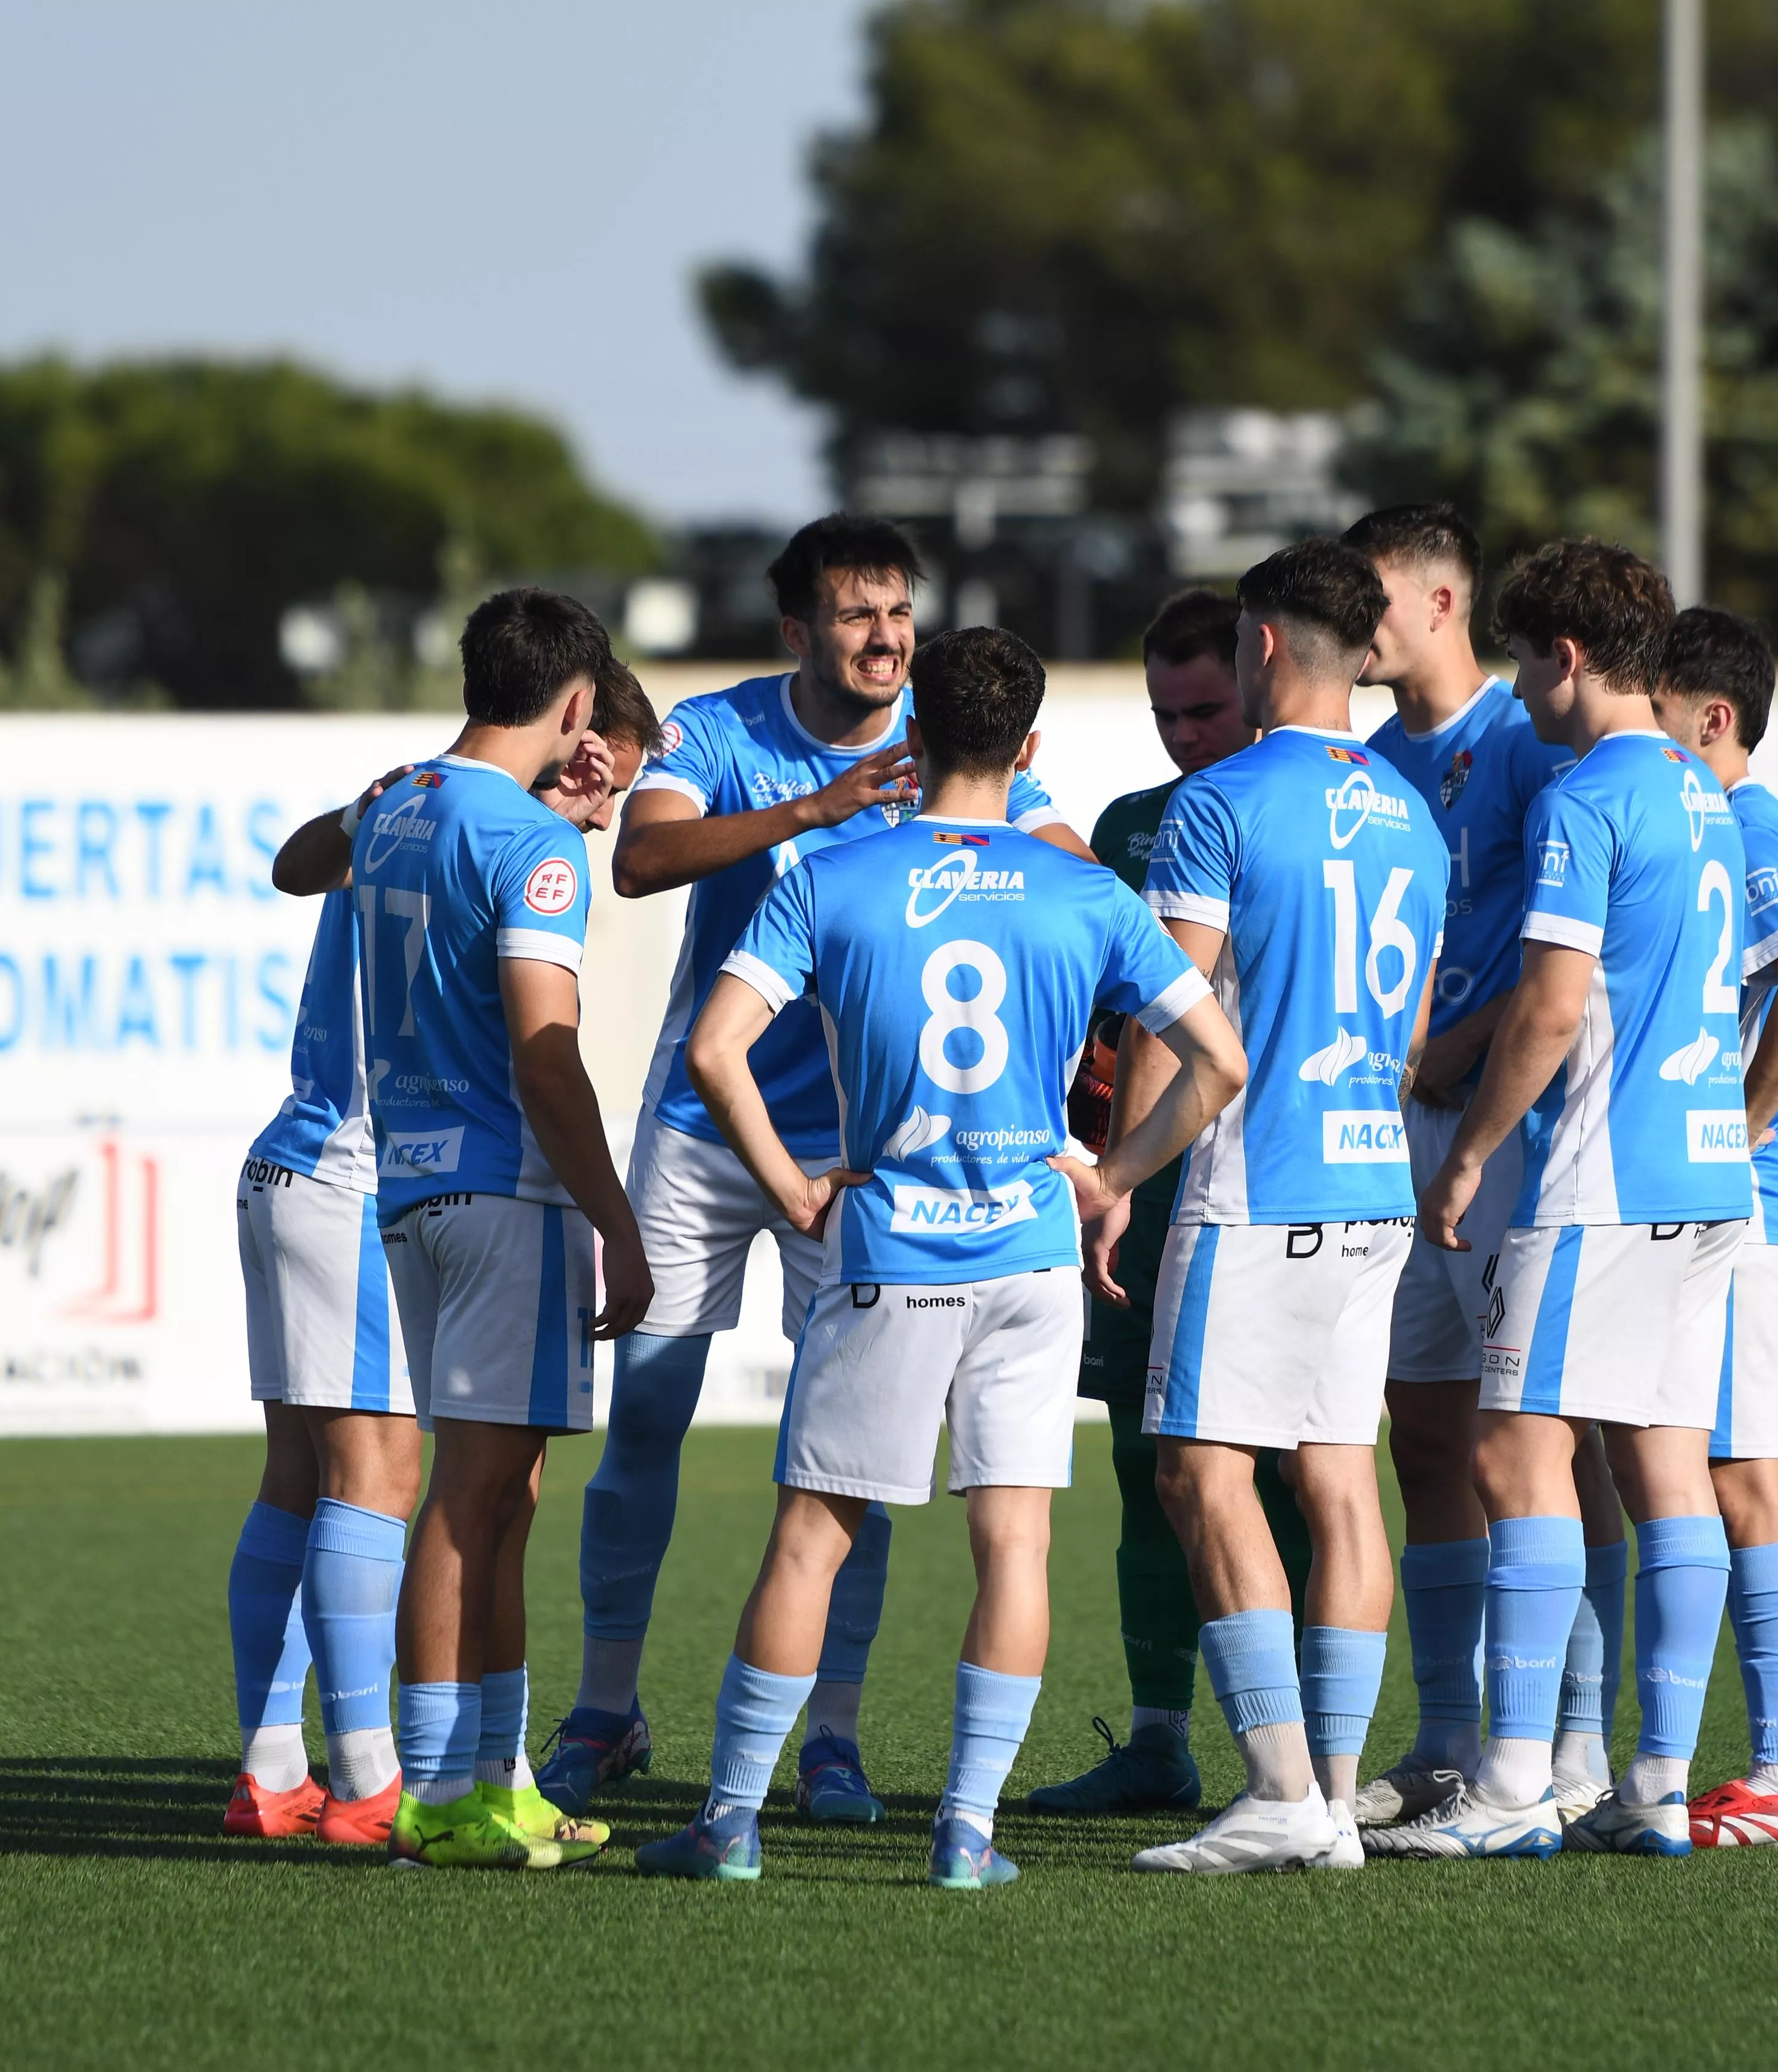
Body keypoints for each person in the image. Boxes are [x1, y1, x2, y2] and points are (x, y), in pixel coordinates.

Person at [631, 627, 1245, 1887]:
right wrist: (1111, 1179)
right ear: (1026, 751)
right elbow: (1218, 1063)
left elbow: (711, 1050)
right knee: (1013, 1545)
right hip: (1027, 1252)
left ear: (913, 741)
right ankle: (966, 1833)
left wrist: (793, 1180)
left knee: (812, 1535)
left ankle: (730, 1824)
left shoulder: (834, 876)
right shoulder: (1087, 893)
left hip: (894, 1246)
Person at [541, 515, 1089, 1824]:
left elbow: (1071, 874)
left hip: (863, 1156)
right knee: (647, 1427)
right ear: (796, 632)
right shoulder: (723, 728)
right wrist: (820, 811)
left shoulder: (954, 754)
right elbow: (641, 858)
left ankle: (831, 1739)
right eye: (854, 614)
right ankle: (605, 1710)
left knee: (858, 1456)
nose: (885, 636)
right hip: (703, 1126)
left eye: (897, 611)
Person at [220, 662, 659, 1845]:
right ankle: (395, 1780)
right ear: (577, 731)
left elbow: (291, 865)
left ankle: (297, 1765)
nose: (605, 812)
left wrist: (380, 804)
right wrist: (618, 1220)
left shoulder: (400, 808)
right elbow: (544, 1057)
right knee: (412, 1489)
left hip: (344, 1163)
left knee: (334, 1482)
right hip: (392, 1166)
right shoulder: (514, 842)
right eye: (608, 782)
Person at [1382, 538, 1747, 1863]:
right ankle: (1655, 1783)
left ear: (1568, 658)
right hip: (1710, 1175)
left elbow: (1546, 1006)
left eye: (1532, 658)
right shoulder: (1705, 796)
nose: (1525, 686)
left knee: (1511, 1453)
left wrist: (1473, 1150)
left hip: (1602, 1174)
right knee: (1660, 1466)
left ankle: (1514, 1784)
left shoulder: (1586, 796)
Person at [1125, 540, 1451, 1877]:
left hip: (1257, 1185)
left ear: (1260, 646)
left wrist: (1117, 1175)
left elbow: (1177, 1018)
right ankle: (1327, 1799)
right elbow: (1417, 1030)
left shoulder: (1220, 801)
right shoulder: (1414, 816)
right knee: (1337, 1481)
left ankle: (1273, 1789)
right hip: (1376, 1178)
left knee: (1200, 1471)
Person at [1023, 588, 1316, 1817]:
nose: (1186, 733)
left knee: (1292, 1473)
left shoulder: (1289, 810)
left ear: (1254, 684)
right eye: (1163, 712)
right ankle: (1157, 1739)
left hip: (1268, 1189)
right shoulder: (1128, 824)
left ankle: (1306, 1754)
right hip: (1139, 1194)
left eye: (1204, 707)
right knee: (1145, 1469)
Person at [1338, 504, 1582, 1832]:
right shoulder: (1372, 764)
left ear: (1440, 602)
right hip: (1398, 1134)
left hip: (1509, 1135)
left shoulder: (1530, 747)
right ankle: (1442, 1742)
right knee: (1422, 1432)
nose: (1352, 618)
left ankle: (1567, 1751)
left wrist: (1457, 1047)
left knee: (1540, 1443)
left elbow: (1563, 964)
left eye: (1369, 593)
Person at [1647, 606, 1778, 1850]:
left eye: (1657, 713)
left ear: (1710, 720)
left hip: (1758, 1189)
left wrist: (1736, 1124)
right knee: (1714, 1463)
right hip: (1744, 1182)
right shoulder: (1712, 819)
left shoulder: (1743, 819)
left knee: (1740, 1467)